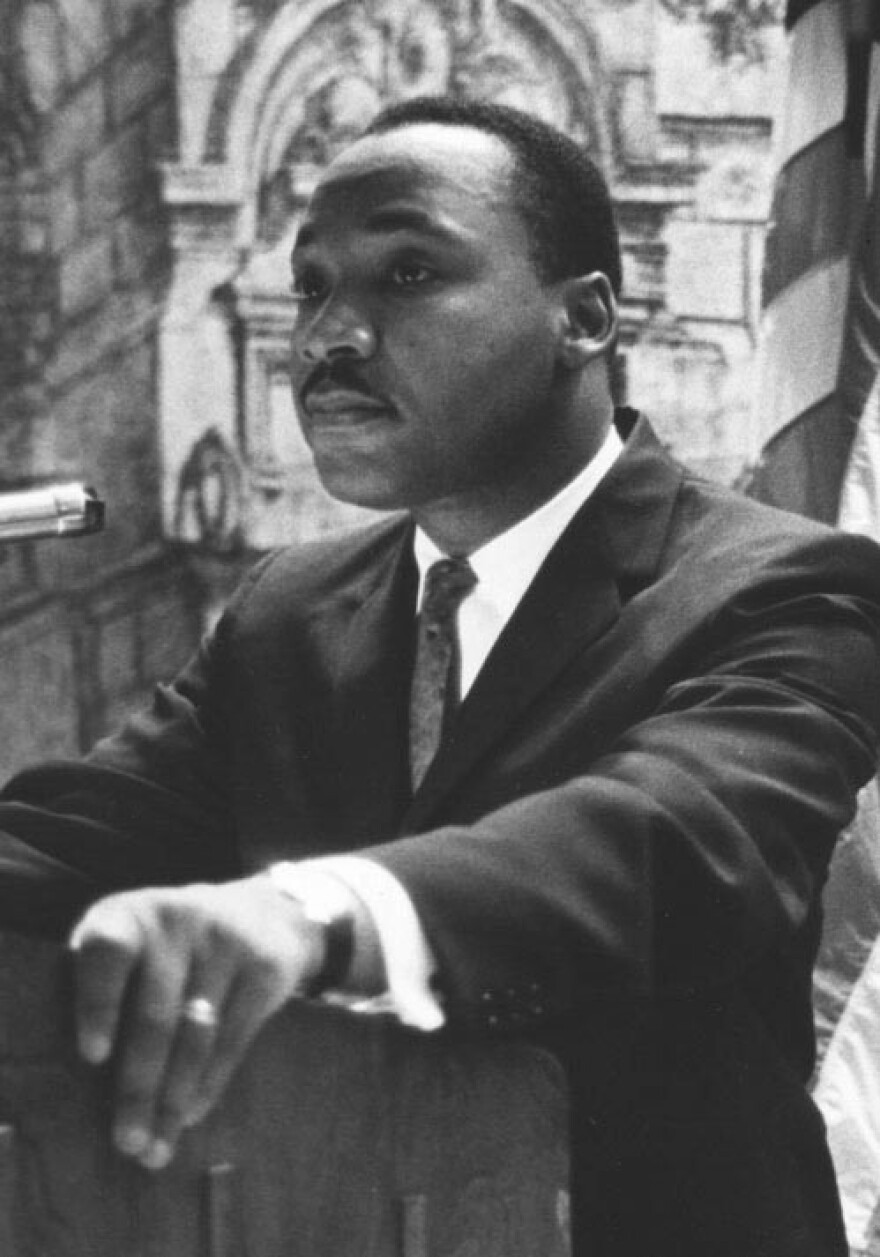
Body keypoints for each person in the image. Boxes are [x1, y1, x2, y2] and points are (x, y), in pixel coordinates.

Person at [0, 95, 879, 1256]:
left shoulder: (791, 585)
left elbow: (667, 843)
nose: (324, 335)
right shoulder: (289, 611)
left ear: (585, 320)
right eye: (311, 286)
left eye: (407, 276)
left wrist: (309, 912)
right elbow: (63, 845)